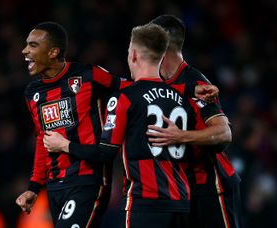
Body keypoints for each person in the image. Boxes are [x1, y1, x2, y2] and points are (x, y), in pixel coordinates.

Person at [43, 23, 223, 228]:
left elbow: (105, 153)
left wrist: (65, 145)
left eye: (129, 51)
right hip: (182, 202)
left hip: (145, 202)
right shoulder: (180, 97)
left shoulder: (124, 99)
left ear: (134, 55)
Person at [15, 21, 128, 228]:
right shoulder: (32, 92)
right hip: (55, 185)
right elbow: (43, 140)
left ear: (53, 52)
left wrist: (184, 89)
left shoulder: (88, 75)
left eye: (32, 45)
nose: (25, 51)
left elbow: (130, 90)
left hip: (88, 178)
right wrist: (34, 186)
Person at [147, 15, 242, 228]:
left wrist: (180, 136)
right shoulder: (156, 84)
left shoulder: (196, 83)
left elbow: (224, 133)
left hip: (211, 187)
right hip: (181, 190)